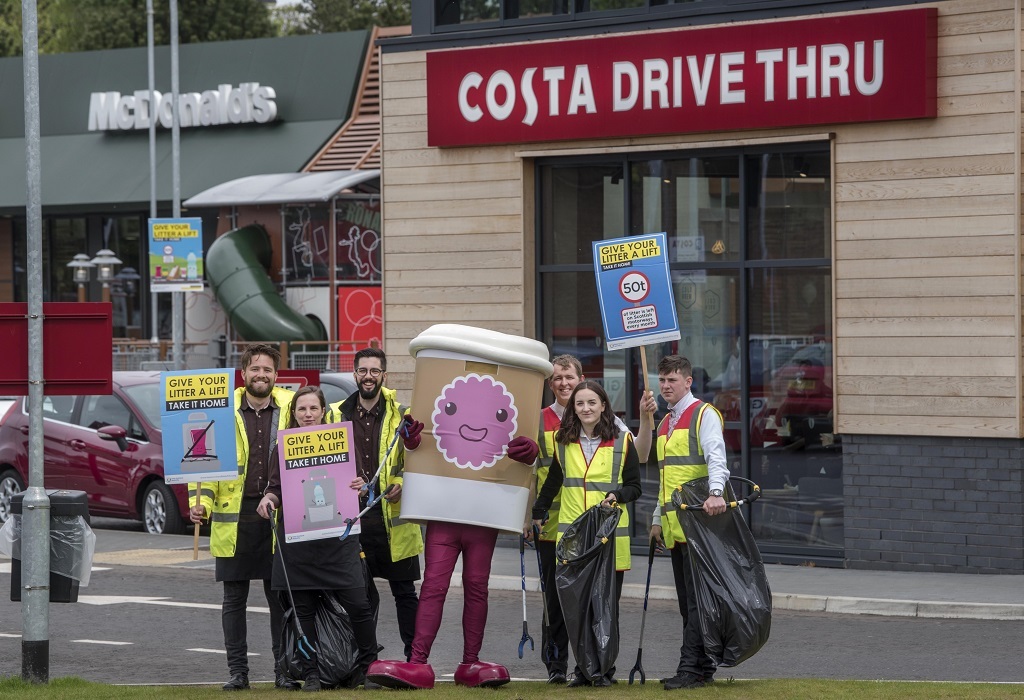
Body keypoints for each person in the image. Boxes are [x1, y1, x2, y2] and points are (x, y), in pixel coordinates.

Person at [367, 434, 540, 690]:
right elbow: (424, 441)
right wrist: (414, 441)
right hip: (448, 509)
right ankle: (419, 661)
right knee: (434, 587)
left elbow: (524, 448)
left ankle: (468, 662)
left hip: (482, 510)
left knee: (476, 587)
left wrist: (530, 454)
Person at [531, 354, 654, 684]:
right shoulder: (563, 442)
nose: (585, 408)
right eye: (580, 404)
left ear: (603, 406)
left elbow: (635, 486)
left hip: (608, 536)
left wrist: (617, 495)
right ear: (574, 408)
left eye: (591, 403)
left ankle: (603, 670)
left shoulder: (621, 439)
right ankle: (583, 669)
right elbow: (554, 481)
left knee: (605, 609)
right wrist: (538, 513)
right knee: (577, 607)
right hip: (573, 537)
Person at [188, 343, 299, 691]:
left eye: (267, 370)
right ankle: (238, 673)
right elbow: (204, 466)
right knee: (233, 601)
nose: (261, 375)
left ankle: (283, 672)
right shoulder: (222, 412)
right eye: (255, 369)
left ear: (276, 376)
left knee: (279, 601)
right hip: (232, 522)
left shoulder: (289, 411)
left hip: (277, 522)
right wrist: (200, 503)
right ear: (244, 373)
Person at [256, 386, 379, 691]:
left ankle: (368, 668)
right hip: (299, 542)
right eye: (301, 409)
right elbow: (275, 487)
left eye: (313, 408)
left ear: (323, 411)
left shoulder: (342, 441)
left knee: (359, 605)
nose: (308, 414)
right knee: (303, 611)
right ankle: (311, 674)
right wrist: (268, 499)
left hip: (338, 539)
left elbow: (362, 484)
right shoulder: (282, 448)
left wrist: (360, 486)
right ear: (293, 414)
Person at [325, 348, 423, 663]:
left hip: (393, 522)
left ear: (384, 375)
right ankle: (361, 661)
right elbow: (324, 467)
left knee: (406, 595)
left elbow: (419, 462)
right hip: (353, 524)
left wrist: (403, 486)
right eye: (363, 370)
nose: (369, 376)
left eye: (375, 371)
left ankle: (414, 659)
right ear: (355, 374)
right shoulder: (334, 414)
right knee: (358, 599)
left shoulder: (403, 414)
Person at [649, 355, 728, 691]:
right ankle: (703, 666)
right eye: (662, 380)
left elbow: (716, 456)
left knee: (696, 603)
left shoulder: (702, 414)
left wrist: (716, 492)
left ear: (688, 381)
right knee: (688, 603)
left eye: (672, 379)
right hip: (675, 529)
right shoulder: (665, 423)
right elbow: (665, 479)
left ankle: (690, 669)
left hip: (698, 525)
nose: (666, 385)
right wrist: (656, 519)